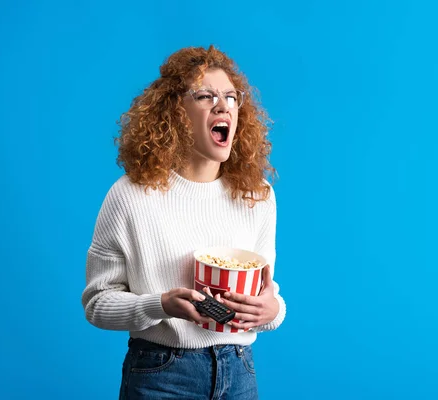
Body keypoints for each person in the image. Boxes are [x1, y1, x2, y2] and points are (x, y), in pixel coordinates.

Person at [81, 45, 286, 399]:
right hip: (161, 373)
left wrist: (274, 309)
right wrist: (159, 305)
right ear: (175, 113)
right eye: (206, 96)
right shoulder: (130, 195)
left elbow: (266, 295)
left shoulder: (258, 194)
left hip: (239, 368)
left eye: (231, 97)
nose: (223, 105)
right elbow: (98, 304)